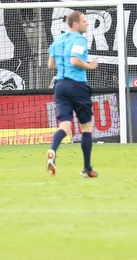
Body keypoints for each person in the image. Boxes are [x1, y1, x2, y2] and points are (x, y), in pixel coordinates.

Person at [45, 10, 98, 178]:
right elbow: (74, 60)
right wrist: (89, 66)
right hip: (77, 85)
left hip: (60, 85)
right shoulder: (79, 39)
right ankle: (87, 168)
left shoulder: (58, 40)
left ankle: (53, 150)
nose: (87, 23)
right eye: (84, 21)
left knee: (65, 126)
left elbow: (51, 65)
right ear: (75, 24)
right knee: (86, 127)